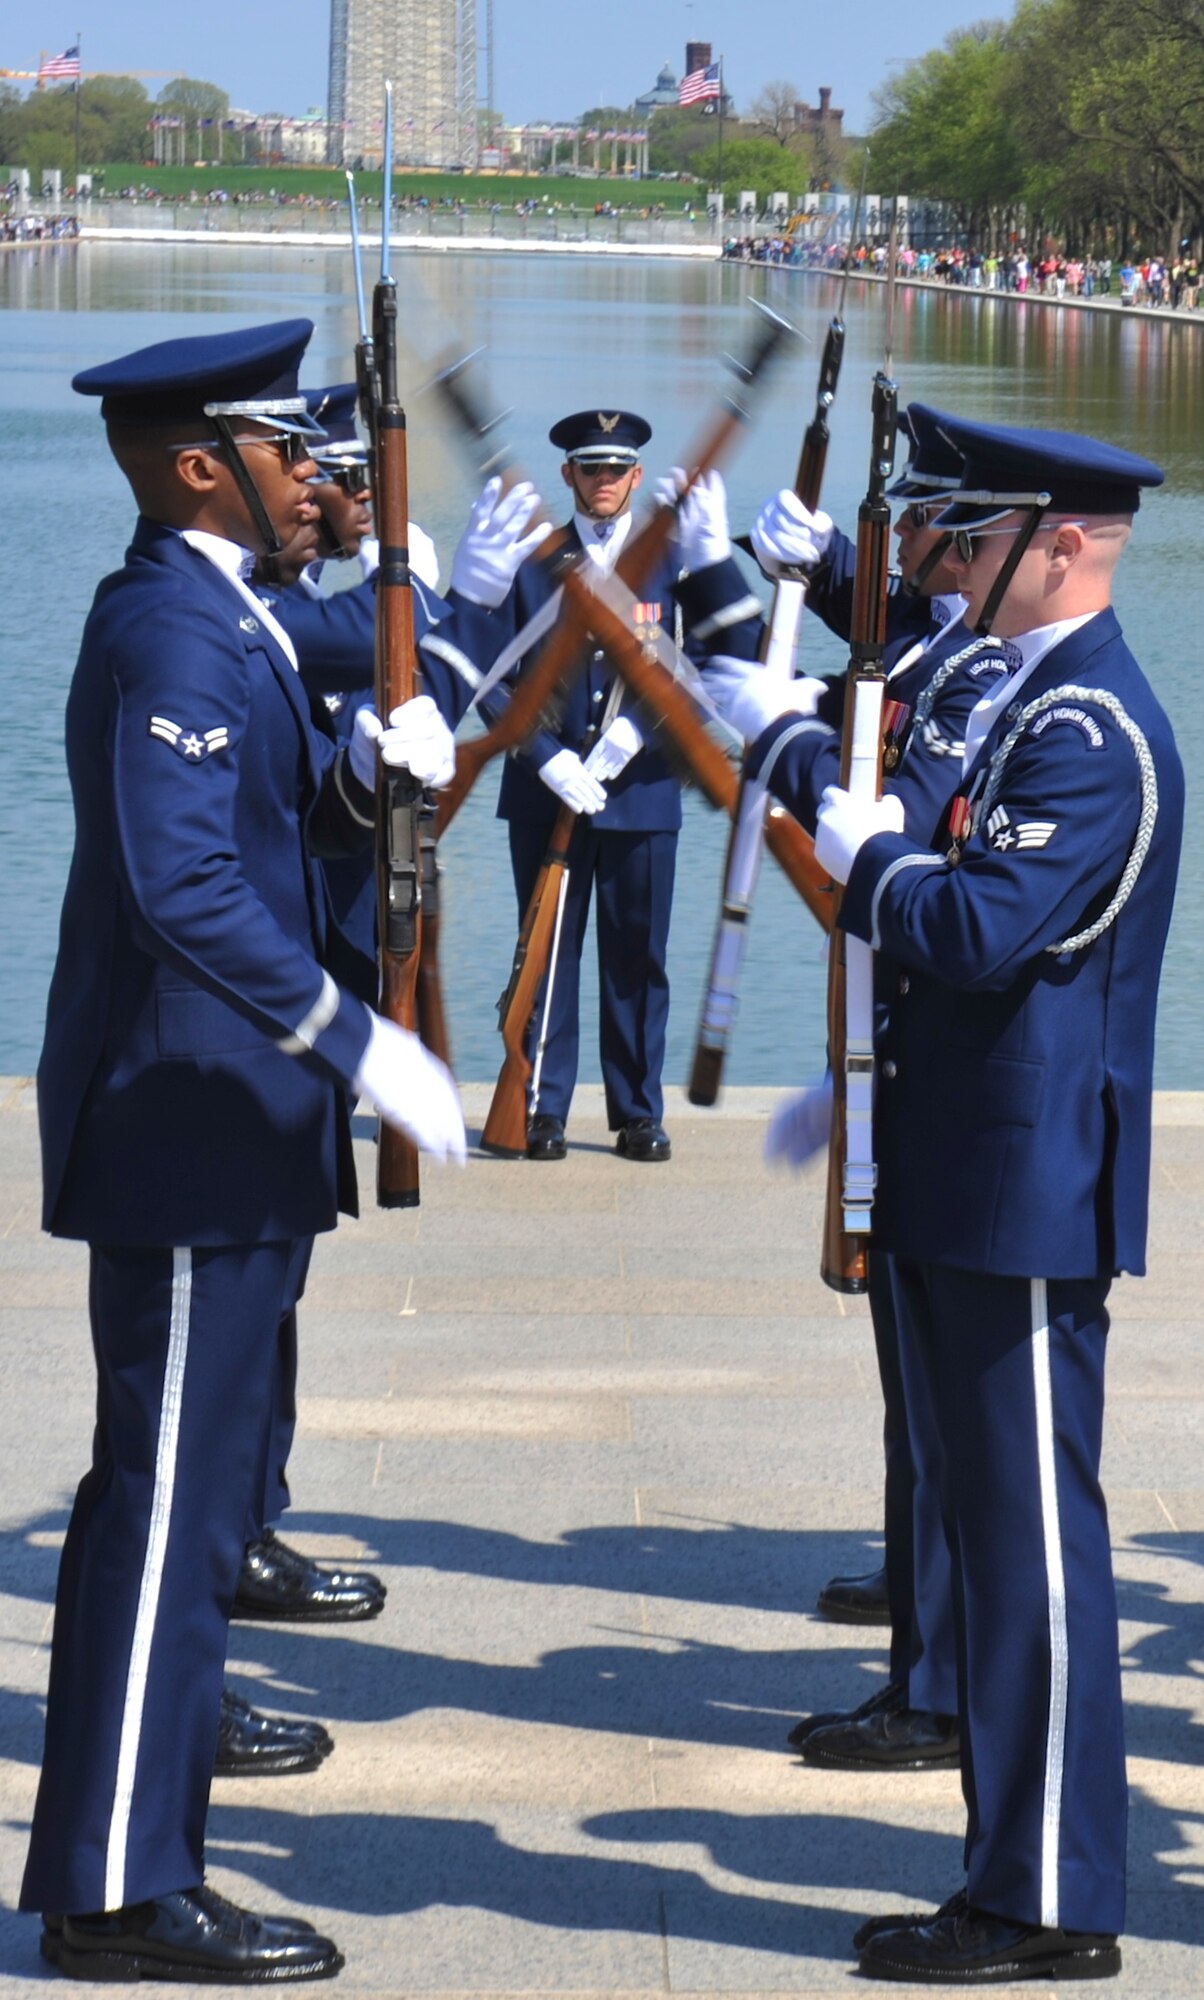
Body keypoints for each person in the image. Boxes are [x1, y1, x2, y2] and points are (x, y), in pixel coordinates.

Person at [23, 318, 466, 1982]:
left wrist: (360, 787)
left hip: (222, 1120)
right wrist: (357, 1040)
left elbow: (265, 840)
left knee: (191, 1506)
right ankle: (118, 1894)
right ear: (205, 464)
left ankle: (150, 1786)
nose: (317, 478)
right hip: (186, 1123)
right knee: (168, 1502)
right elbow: (180, 885)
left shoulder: (235, 623)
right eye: (288, 452)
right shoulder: (178, 632)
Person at [743, 421, 1182, 1980]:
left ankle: (1051, 1901)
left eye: (970, 534)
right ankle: (1015, 1874)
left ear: (1057, 544)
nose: (943, 560)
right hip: (957, 1165)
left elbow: (979, 926)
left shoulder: (1093, 731)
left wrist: (865, 865)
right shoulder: (1018, 701)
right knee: (993, 1551)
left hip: (1025, 1190)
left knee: (1033, 1558)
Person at [735, 405, 1017, 1774]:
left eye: (920, 529)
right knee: (916, 1400)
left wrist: (784, 744)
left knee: (948, 1412)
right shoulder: (943, 637)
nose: (899, 545)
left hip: (933, 1064)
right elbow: (880, 646)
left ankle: (943, 1672)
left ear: (967, 544)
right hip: (893, 1055)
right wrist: (780, 581)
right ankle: (926, 1630)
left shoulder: (986, 678)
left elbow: (890, 794)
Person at [449, 409, 761, 1165]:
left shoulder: (673, 562)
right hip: (545, 786)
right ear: (568, 476)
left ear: (636, 478)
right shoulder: (530, 561)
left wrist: (635, 735)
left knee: (635, 957)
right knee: (546, 952)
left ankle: (636, 1112)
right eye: (590, 469)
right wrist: (542, 753)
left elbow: (718, 666)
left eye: (616, 470)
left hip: (642, 787)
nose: (603, 482)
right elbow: (485, 672)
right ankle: (540, 1106)